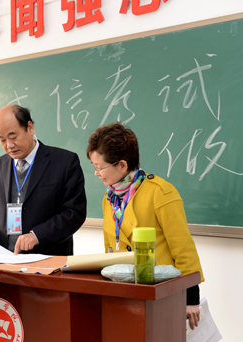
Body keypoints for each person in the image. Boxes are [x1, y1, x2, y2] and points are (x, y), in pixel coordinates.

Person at [86, 122, 204, 329]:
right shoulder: (110, 198)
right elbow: (110, 248)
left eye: (99, 167)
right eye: (93, 166)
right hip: (123, 294)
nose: (96, 173)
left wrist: (191, 299)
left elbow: (183, 248)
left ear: (122, 165)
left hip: (160, 292)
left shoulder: (160, 192)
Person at [0, 105, 87, 256]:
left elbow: (74, 213)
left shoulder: (65, 162)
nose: (9, 145)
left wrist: (37, 235)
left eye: (13, 137)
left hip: (47, 260)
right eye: (2, 140)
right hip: (3, 260)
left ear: (30, 127)